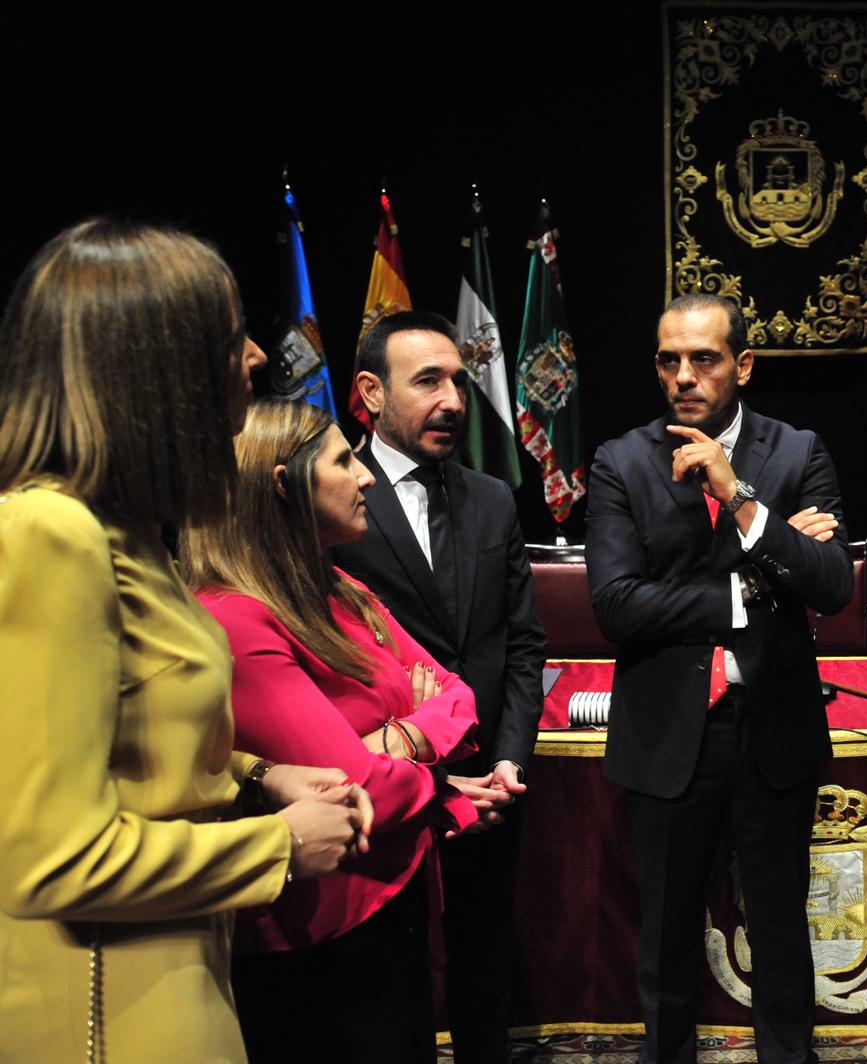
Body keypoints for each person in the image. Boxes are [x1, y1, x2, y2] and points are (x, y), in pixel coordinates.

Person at [0, 219, 369, 1062]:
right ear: (154, 363)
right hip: (103, 1016)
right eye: (227, 331)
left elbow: (129, 746)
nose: (253, 358)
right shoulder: (49, 533)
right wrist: (276, 845)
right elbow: (50, 860)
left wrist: (257, 777)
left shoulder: (126, 532)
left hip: (170, 980)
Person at [586, 293, 853, 1064]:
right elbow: (616, 606)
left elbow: (833, 586)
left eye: (702, 359)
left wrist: (739, 499)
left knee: (778, 931)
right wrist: (757, 586)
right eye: (669, 360)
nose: (683, 376)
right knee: (665, 941)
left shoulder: (797, 452)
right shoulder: (621, 461)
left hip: (772, 723)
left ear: (743, 365)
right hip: (671, 732)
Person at [182, 398, 481, 1062]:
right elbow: (356, 789)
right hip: (317, 941)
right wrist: (414, 742)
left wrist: (397, 739)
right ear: (285, 484)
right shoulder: (236, 618)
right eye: (344, 461)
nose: (367, 475)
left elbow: (457, 695)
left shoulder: (339, 586)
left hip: (391, 904)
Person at [330, 310, 548, 1063]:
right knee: (389, 983)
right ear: (370, 393)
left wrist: (510, 760)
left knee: (485, 969)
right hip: (388, 793)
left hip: (492, 787)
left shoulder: (492, 498)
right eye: (428, 381)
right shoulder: (329, 503)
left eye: (458, 380)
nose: (454, 399)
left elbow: (524, 647)